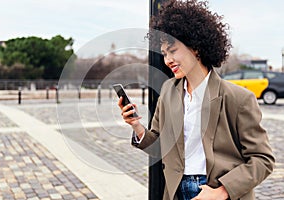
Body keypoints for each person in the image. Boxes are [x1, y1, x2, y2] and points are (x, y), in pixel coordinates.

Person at [118, 0, 275, 199]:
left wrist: (222, 191)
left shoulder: (238, 98)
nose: (167, 61)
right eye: (165, 53)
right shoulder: (168, 91)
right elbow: (160, 146)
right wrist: (137, 127)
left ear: (196, 48)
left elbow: (263, 159)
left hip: (217, 192)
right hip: (176, 191)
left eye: (173, 51)